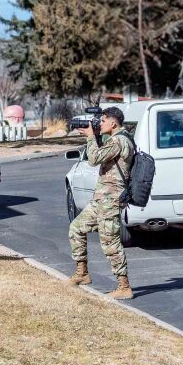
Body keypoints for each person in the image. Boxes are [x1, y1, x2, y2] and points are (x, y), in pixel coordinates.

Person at [67, 105, 134, 300]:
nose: (100, 124)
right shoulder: (114, 139)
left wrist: (89, 136)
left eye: (103, 121)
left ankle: (124, 286)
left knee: (110, 242)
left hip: (111, 199)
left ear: (113, 123)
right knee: (76, 228)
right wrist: (95, 135)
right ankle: (82, 273)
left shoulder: (120, 141)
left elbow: (94, 159)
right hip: (101, 199)